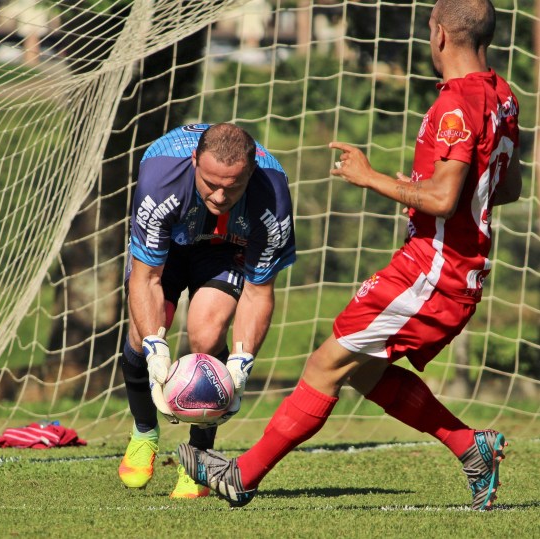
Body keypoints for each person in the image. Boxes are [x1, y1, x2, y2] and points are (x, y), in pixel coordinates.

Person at [179, 0, 521, 511]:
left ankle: (242, 476)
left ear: (440, 35)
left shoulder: (455, 106)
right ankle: (470, 447)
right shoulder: (501, 96)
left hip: (434, 267)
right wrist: (426, 189)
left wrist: (371, 177)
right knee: (361, 368)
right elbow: (506, 187)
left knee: (324, 366)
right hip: (449, 264)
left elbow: (447, 200)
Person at [118, 123, 296, 498]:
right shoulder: (161, 179)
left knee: (206, 332)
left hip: (224, 248)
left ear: (250, 171)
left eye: (232, 186)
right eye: (210, 182)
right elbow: (146, 278)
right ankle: (145, 432)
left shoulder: (272, 195)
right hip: (170, 247)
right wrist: (154, 347)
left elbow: (258, 292)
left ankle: (200, 458)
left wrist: (241, 365)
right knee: (140, 334)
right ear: (194, 160)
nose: (218, 195)